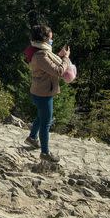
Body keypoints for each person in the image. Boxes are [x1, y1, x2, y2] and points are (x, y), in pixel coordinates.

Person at [24, 24, 70, 162]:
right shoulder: (41, 55)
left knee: (41, 116)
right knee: (46, 123)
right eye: (50, 38)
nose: (52, 40)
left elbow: (50, 62)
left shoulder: (40, 51)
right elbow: (58, 71)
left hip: (39, 91)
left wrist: (60, 56)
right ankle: (45, 153)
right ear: (44, 39)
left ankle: (32, 138)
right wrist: (66, 58)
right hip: (43, 94)